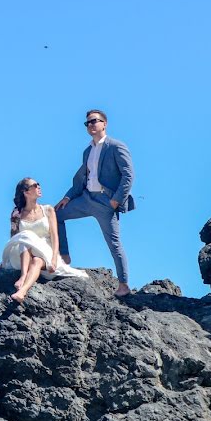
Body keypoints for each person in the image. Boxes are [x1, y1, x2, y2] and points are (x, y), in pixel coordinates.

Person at [54, 109, 135, 297]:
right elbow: (82, 178)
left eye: (94, 121)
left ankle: (123, 285)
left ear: (104, 124)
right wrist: (68, 197)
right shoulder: (87, 151)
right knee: (55, 214)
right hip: (86, 199)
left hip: (106, 202)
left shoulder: (115, 146)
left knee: (114, 244)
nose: (90, 125)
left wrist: (116, 201)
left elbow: (128, 175)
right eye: (87, 123)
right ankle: (64, 257)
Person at [0, 177, 89, 303]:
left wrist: (54, 258)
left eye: (38, 184)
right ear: (26, 192)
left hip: (46, 253)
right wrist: (1, 263)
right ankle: (22, 280)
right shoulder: (17, 213)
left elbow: (55, 236)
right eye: (34, 185)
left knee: (33, 252)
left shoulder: (48, 210)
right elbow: (14, 239)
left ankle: (22, 289)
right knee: (25, 238)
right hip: (23, 255)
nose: (39, 186)